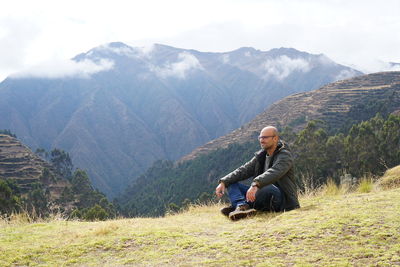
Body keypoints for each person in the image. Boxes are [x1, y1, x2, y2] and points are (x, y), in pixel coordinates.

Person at [215, 126, 300, 221]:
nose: (261, 140)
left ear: (275, 138)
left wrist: (256, 184)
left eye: (265, 137)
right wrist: (223, 181)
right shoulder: (261, 156)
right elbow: (243, 170)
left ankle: (239, 206)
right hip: (261, 194)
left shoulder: (285, 156)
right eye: (260, 137)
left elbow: (274, 172)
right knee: (231, 183)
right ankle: (241, 206)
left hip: (280, 199)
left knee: (267, 186)